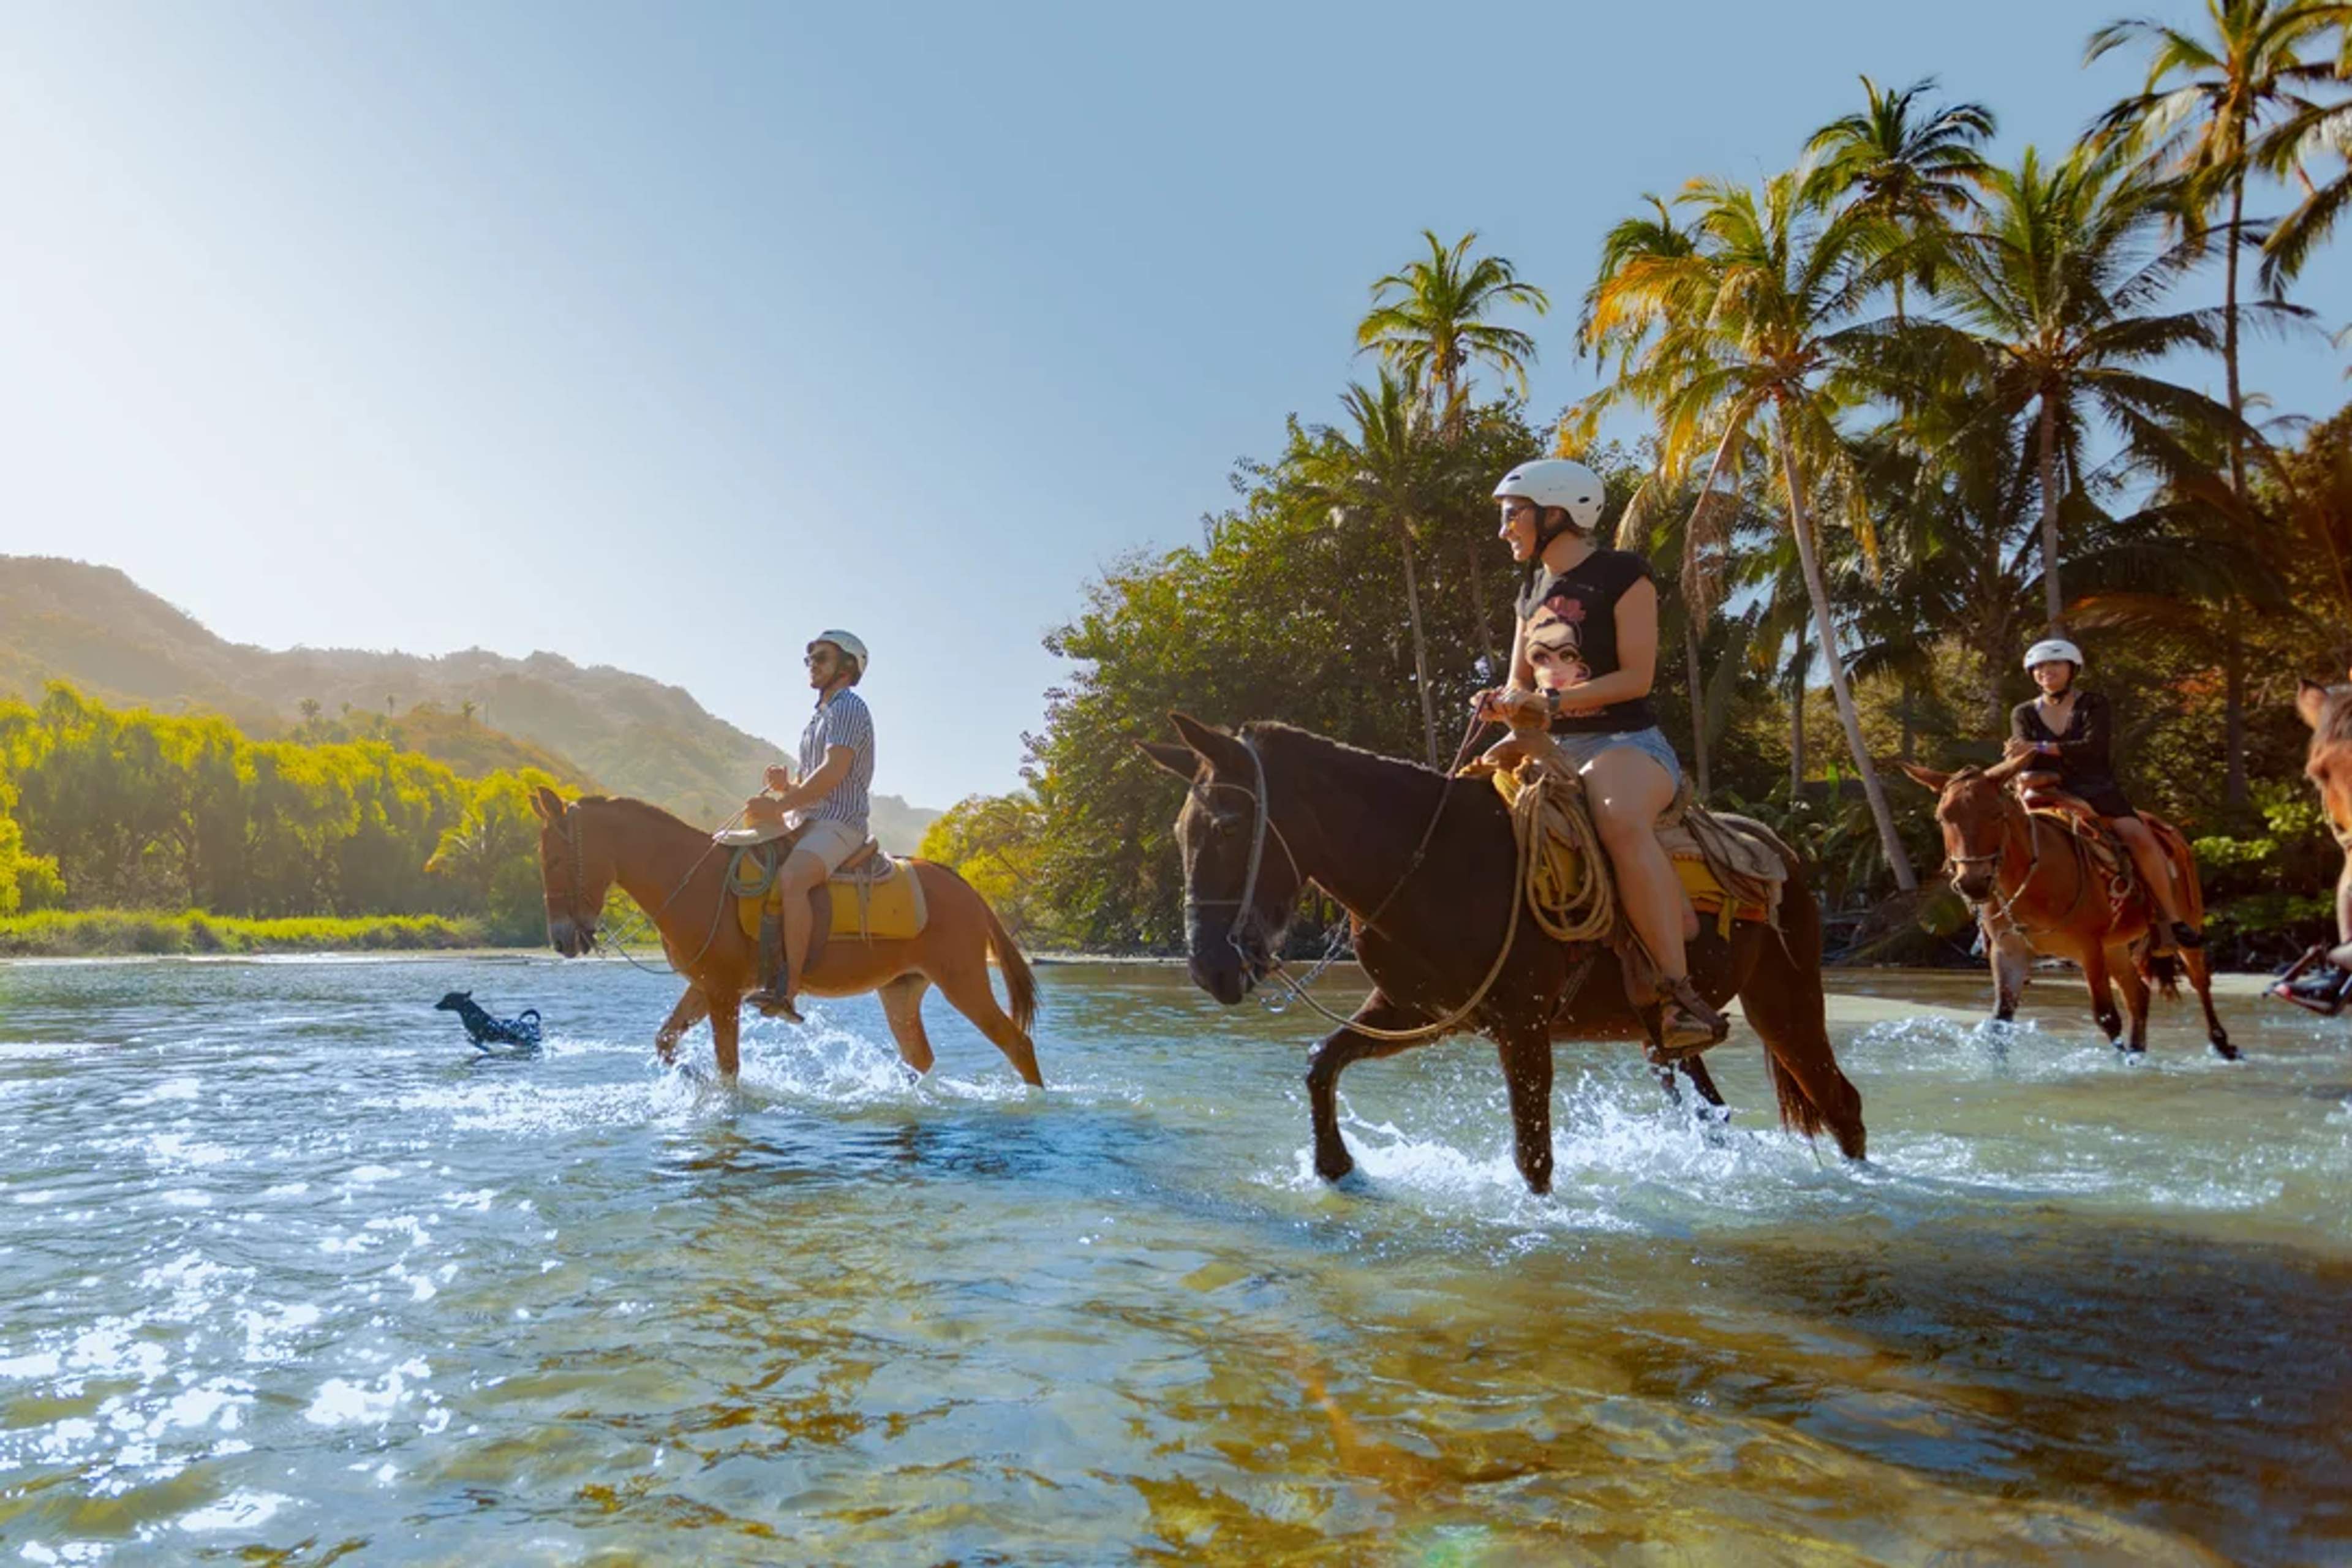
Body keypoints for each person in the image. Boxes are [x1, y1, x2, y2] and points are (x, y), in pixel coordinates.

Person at [1476, 457, 1727, 1056]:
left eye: (1514, 516)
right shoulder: (1529, 591)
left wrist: (1549, 702)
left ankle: (1677, 994)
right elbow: (1521, 686)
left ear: (1555, 513)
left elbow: (1635, 679)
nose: (1505, 529)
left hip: (1624, 744)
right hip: (1548, 742)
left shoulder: (1622, 574)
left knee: (1615, 816)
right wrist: (1501, 704)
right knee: (1465, 800)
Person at [2007, 638, 2201, 951]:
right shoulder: (2023, 713)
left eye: (2054, 665)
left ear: (2072, 669)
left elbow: (2093, 750)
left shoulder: (2094, 704)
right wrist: (2026, 755)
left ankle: (2172, 918)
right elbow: (2022, 754)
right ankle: (1993, 923)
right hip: (2043, 790)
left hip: (2095, 787)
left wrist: (2040, 747)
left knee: (2139, 838)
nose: (2046, 672)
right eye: (2039, 667)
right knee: (1999, 840)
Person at [742, 630, 876, 1020]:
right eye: (810, 660)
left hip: (840, 822)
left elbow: (834, 773)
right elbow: (812, 783)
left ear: (847, 667)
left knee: (794, 879)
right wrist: (787, 788)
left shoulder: (850, 707)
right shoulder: (818, 717)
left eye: (821, 658)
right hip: (806, 820)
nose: (812, 666)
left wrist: (783, 801)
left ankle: (789, 987)